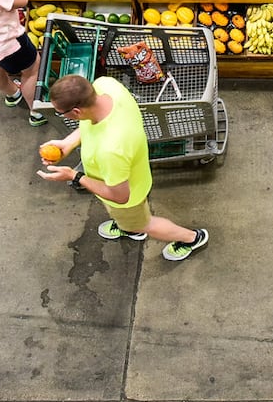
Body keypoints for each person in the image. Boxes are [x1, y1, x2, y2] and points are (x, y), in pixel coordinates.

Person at [39, 73, 209, 262]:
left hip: (127, 195)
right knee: (127, 219)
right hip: (132, 172)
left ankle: (191, 238)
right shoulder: (106, 86)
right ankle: (127, 226)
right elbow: (91, 124)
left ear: (76, 112)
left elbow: (120, 196)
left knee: (144, 223)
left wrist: (74, 176)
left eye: (61, 112)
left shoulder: (111, 150)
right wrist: (68, 143)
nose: (60, 115)